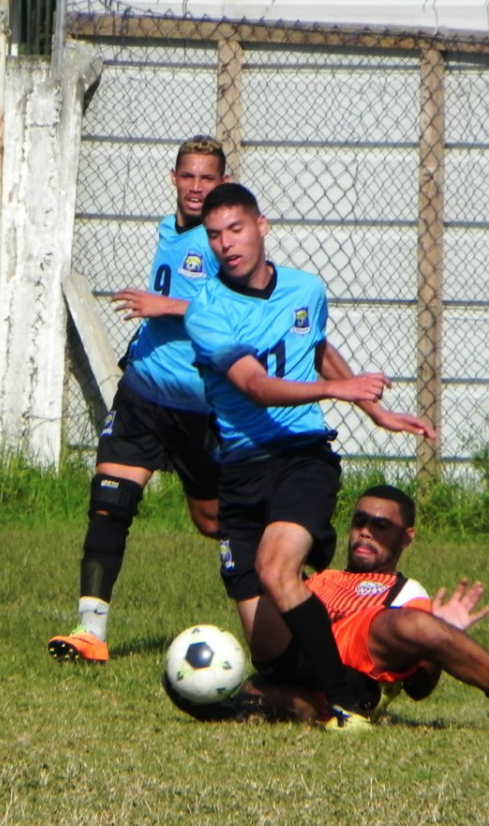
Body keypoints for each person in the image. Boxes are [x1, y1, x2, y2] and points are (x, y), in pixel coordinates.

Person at [183, 182, 437, 728]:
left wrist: (374, 409)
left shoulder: (306, 290)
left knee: (278, 571)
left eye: (236, 229)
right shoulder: (206, 311)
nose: (226, 244)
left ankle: (347, 698)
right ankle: (362, 666)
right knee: (270, 650)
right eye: (215, 236)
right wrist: (337, 391)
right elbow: (253, 385)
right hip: (241, 470)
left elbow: (316, 348)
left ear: (261, 226)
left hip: (301, 456)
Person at [164, 485, 489, 732]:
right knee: (254, 698)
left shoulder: (404, 592)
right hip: (301, 665)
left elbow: (418, 689)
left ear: (406, 537)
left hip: (356, 667)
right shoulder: (316, 580)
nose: (365, 532)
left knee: (415, 626)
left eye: (381, 526)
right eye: (359, 522)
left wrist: (441, 634)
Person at [48, 136, 229, 663]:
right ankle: (91, 634)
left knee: (216, 522)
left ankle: (294, 596)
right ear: (174, 178)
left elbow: (234, 310)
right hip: (143, 395)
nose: (196, 187)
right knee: (110, 502)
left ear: (222, 181)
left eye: (207, 178)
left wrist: (164, 305)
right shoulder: (168, 228)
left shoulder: (224, 240)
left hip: (200, 408)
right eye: (188, 176)